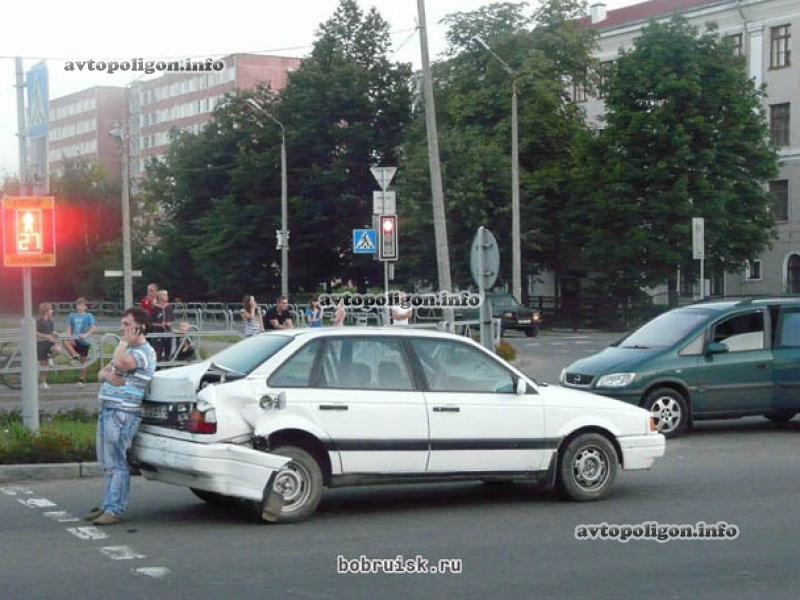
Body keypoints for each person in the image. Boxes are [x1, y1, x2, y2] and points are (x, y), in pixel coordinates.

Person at [87, 307, 156, 526]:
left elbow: (121, 363)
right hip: (109, 408)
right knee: (106, 461)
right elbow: (102, 372)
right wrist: (110, 374)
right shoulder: (128, 352)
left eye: (127, 325)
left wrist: (122, 345)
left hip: (123, 413)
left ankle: (114, 509)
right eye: (123, 324)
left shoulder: (144, 352)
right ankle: (108, 503)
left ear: (140, 327)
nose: (123, 329)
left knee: (116, 461)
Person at [36, 302, 70, 389]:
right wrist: (46, 336)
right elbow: (34, 332)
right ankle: (43, 382)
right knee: (44, 364)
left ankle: (50, 357)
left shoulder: (50, 320)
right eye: (50, 309)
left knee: (58, 349)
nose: (52, 311)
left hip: (50, 342)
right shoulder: (39, 320)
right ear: (45, 310)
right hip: (41, 343)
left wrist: (57, 334)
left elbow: (52, 331)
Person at [64, 297, 97, 387]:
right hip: (74, 339)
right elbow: (69, 328)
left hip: (84, 341)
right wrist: (70, 337)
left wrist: (86, 334)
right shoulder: (72, 315)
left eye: (82, 305)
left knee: (84, 361)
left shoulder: (88, 316)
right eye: (78, 305)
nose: (80, 307)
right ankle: (75, 356)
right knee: (65, 342)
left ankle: (82, 379)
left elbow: (93, 328)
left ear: (85, 307)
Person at [150, 289, 174, 362]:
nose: (167, 296)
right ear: (159, 297)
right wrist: (160, 325)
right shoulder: (154, 308)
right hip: (158, 333)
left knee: (168, 350)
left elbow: (172, 319)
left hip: (168, 332)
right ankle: (157, 366)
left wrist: (169, 323)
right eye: (165, 295)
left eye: (167, 295)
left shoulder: (169, 307)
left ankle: (168, 364)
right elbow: (151, 322)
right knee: (157, 351)